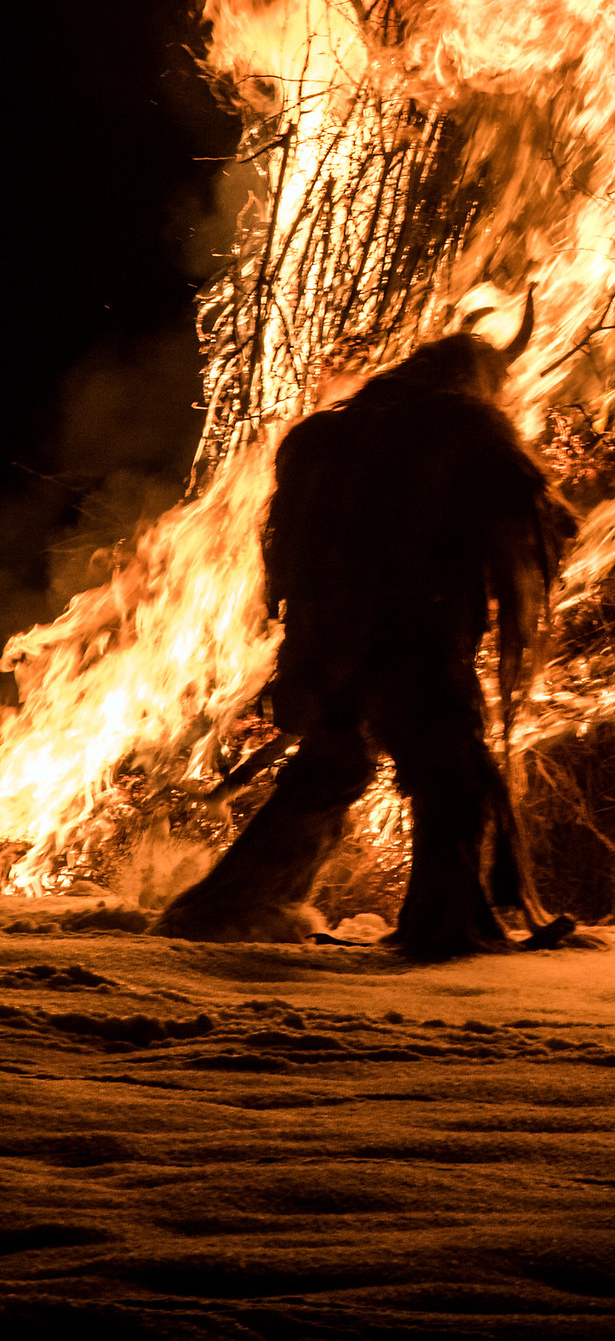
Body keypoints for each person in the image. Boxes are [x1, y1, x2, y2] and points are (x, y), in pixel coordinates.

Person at [160, 298, 577, 958]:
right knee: (452, 777)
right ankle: (445, 930)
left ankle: (229, 906)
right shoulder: (463, 422)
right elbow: (530, 512)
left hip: (327, 640)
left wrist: (314, 650)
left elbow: (284, 551)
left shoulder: (321, 436)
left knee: (332, 766)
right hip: (414, 634)